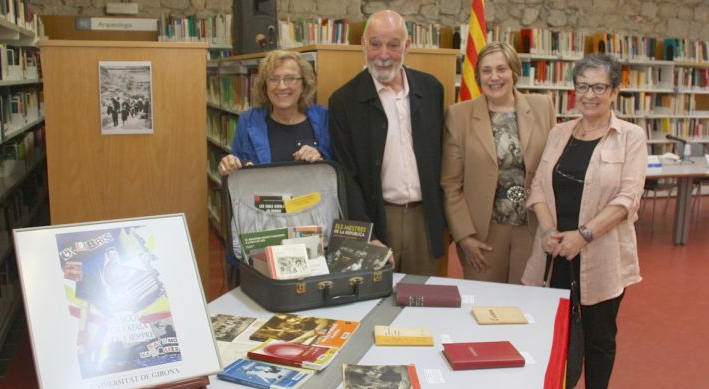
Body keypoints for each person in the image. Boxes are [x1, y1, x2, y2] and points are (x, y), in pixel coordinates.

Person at [521, 54, 647, 389]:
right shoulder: (560, 133)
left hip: (601, 257)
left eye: (598, 87)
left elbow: (628, 197)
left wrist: (584, 235)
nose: (588, 95)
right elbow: (538, 189)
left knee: (599, 341)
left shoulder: (630, 138)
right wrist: (547, 231)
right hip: (554, 254)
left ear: (615, 91)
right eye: (581, 86)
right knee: (552, 337)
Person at [328, 10, 446, 275]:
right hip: (379, 220)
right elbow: (347, 176)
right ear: (363, 45)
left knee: (421, 302)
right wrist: (366, 233)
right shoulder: (343, 102)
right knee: (377, 305)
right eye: (375, 44)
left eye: (393, 45)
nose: (383, 55)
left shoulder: (431, 89)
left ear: (407, 46)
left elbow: (441, 157)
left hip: (424, 220)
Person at [442, 42, 556, 283]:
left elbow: (551, 167)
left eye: (501, 69)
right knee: (485, 308)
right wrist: (463, 236)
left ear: (514, 72)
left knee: (527, 305)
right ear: (478, 76)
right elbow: (451, 184)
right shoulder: (459, 115)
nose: (494, 77)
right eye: (486, 71)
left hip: (532, 227)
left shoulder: (542, 106)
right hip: (483, 233)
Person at [218, 49, 331, 176]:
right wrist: (227, 166)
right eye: (274, 79)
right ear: (265, 86)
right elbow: (236, 175)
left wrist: (321, 160)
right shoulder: (248, 121)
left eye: (290, 78)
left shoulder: (324, 118)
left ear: (304, 84)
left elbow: (337, 173)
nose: (282, 86)